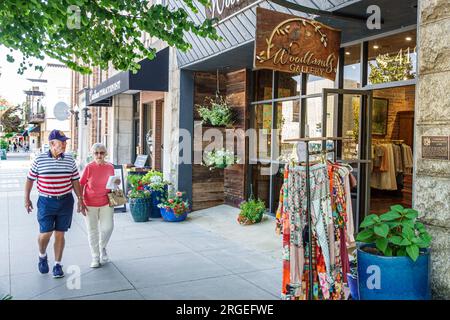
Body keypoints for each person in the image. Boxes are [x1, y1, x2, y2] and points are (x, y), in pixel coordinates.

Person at [24, 129, 87, 278]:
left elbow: (75, 180)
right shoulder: (39, 160)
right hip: (46, 201)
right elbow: (30, 179)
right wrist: (26, 198)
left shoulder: (70, 159)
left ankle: (57, 264)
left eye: (65, 141)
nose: (65, 144)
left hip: (65, 201)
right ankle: (42, 255)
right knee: (45, 233)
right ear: (52, 143)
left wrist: (80, 198)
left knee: (60, 234)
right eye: (62, 141)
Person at [80, 143, 120, 268]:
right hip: (89, 203)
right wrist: (80, 201)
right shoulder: (89, 167)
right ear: (92, 154)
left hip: (106, 202)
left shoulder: (110, 167)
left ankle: (102, 247)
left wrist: (117, 182)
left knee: (108, 228)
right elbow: (81, 184)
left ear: (106, 154)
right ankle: (95, 256)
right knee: (92, 231)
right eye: (96, 153)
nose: (99, 155)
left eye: (102, 153)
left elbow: (113, 183)